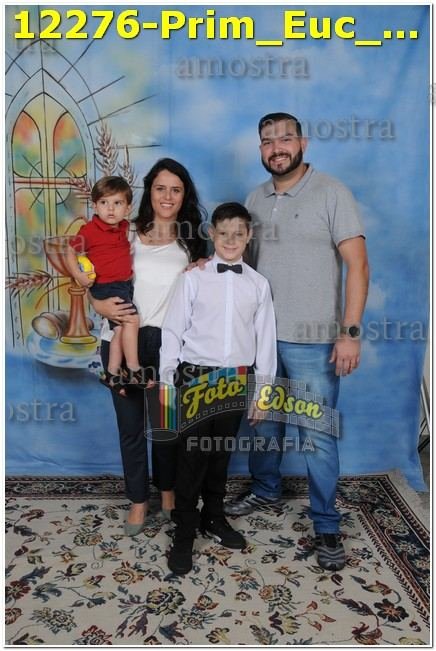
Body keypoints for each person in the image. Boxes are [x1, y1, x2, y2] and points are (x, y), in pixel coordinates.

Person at [224, 112, 370, 572]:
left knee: (317, 437)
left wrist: (350, 333)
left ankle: (326, 524)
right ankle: (265, 490)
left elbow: (359, 265)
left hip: (314, 343)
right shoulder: (255, 199)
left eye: (285, 138)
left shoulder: (331, 192)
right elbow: (240, 266)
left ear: (302, 143)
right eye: (268, 141)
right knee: (263, 426)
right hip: (262, 341)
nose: (277, 148)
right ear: (261, 149)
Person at [90, 158, 208, 535]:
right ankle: (139, 500)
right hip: (120, 339)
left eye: (176, 189)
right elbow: (92, 277)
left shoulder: (193, 242)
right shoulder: (124, 232)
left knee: (166, 426)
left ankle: (168, 493)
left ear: (184, 195)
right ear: (149, 192)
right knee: (131, 428)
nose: (167, 196)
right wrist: (97, 305)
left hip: (168, 345)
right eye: (160, 188)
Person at [159, 202, 277, 575]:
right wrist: (167, 380)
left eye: (238, 234)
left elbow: (266, 342)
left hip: (235, 380)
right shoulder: (193, 278)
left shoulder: (258, 285)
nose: (230, 240)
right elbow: (173, 330)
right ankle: (184, 529)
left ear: (249, 235)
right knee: (192, 456)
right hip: (195, 379)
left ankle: (213, 516)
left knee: (220, 454)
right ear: (212, 234)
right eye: (223, 233)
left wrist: (263, 393)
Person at [66, 176, 142, 393]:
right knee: (132, 320)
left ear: (128, 208)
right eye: (104, 203)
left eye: (117, 203)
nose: (110, 209)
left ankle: (112, 373)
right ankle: (135, 369)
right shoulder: (89, 230)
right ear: (95, 206)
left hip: (123, 285)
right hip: (107, 286)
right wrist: (79, 276)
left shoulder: (124, 227)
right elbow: (70, 251)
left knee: (119, 329)